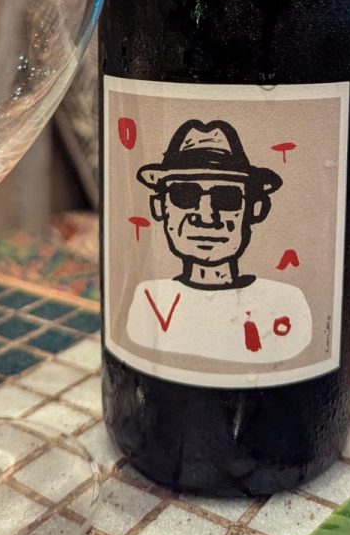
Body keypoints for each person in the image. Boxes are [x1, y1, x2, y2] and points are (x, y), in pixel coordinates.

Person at [126, 120, 312, 364]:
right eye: (185, 195)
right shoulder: (148, 298)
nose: (206, 217)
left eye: (226, 197)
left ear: (255, 209)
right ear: (159, 207)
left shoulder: (286, 303)